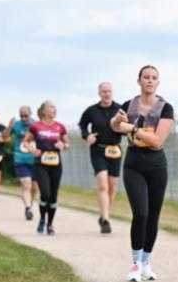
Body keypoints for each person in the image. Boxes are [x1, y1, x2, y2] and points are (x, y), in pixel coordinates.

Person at [110, 65, 174, 282]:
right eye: (146, 77)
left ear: (158, 83)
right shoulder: (129, 105)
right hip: (134, 163)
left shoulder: (166, 108)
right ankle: (135, 263)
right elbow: (116, 127)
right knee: (141, 213)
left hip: (156, 165)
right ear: (139, 81)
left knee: (153, 216)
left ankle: (147, 262)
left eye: (154, 78)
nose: (150, 80)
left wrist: (133, 129)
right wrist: (118, 121)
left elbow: (157, 140)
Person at [79, 81, 123, 234]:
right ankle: (105, 220)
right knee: (103, 185)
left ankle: (104, 214)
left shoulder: (119, 109)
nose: (107, 94)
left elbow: (126, 126)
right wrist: (87, 136)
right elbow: (82, 125)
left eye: (109, 91)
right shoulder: (92, 110)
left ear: (112, 92)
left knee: (112, 187)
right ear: (99, 93)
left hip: (115, 150)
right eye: (104, 91)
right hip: (98, 150)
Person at [23, 100, 69, 236]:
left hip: (56, 164)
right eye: (51, 107)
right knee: (45, 194)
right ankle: (42, 219)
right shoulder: (36, 127)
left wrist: (63, 145)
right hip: (41, 164)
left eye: (55, 107)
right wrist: (32, 149)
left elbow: (67, 144)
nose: (54, 109)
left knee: (54, 196)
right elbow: (25, 142)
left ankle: (50, 224)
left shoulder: (60, 127)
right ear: (44, 111)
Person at [8, 106, 39, 220]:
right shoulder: (16, 125)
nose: (24, 118)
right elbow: (4, 136)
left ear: (31, 114)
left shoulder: (36, 125)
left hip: (34, 160)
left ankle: (30, 206)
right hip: (20, 158)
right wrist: (10, 126)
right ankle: (27, 208)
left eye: (26, 115)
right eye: (21, 116)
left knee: (35, 188)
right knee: (26, 184)